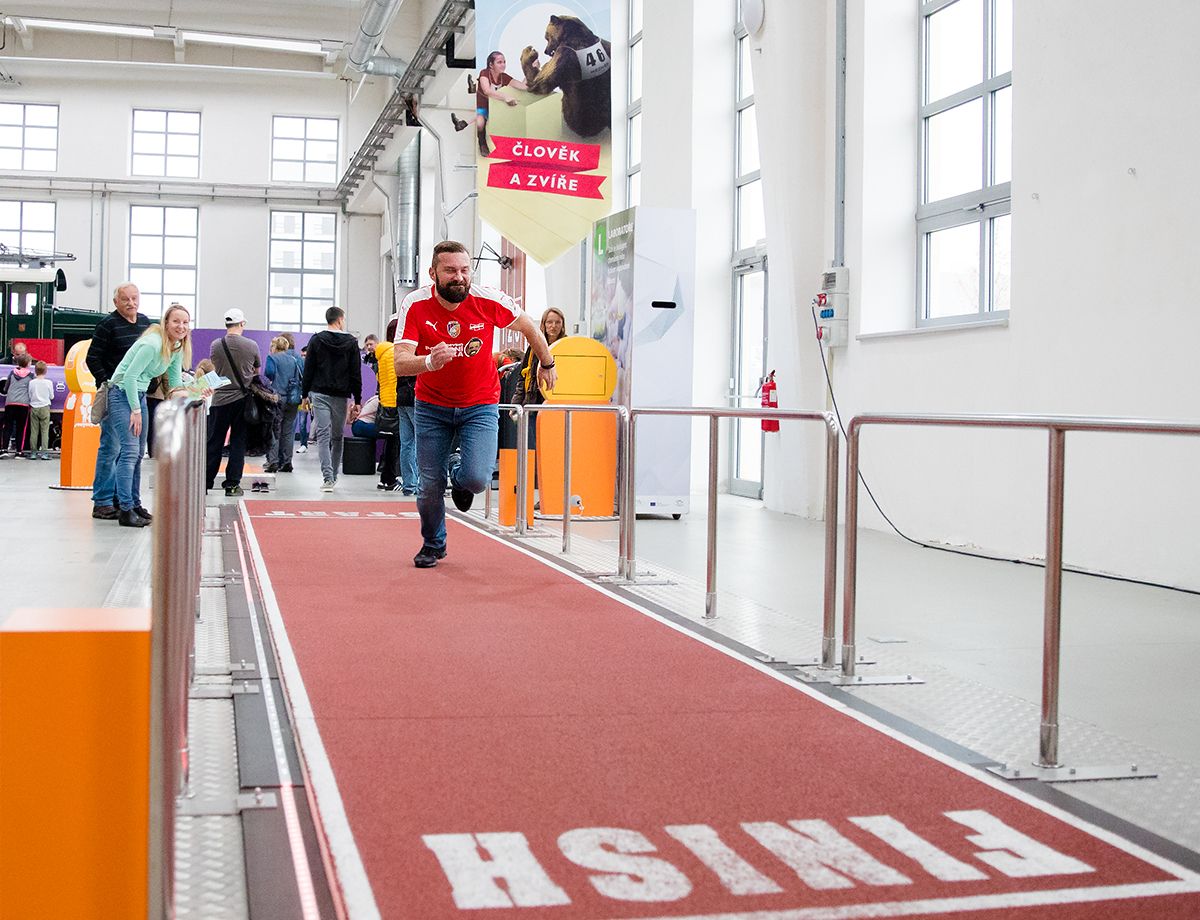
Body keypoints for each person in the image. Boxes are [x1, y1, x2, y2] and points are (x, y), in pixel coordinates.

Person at [395, 240, 556, 568]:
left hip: (479, 404)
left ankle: (459, 469)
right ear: (433, 273)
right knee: (428, 485)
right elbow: (400, 362)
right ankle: (433, 543)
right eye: (451, 270)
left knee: (478, 479)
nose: (459, 277)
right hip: (431, 406)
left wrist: (547, 363)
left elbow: (529, 326)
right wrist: (428, 362)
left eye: (465, 270)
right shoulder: (415, 304)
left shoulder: (488, 300)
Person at [106, 303, 193, 527]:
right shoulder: (152, 344)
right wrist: (135, 410)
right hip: (122, 393)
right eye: (176, 321)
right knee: (129, 451)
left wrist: (196, 391)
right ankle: (125, 509)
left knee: (137, 454)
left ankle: (134, 503)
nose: (181, 326)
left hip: (140, 394)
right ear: (166, 322)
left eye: (185, 322)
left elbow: (174, 383)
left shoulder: (175, 347)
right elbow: (130, 377)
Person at [86, 283, 151, 519]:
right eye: (125, 299)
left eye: (134, 298)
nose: (131, 303)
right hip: (116, 394)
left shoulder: (146, 324)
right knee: (111, 447)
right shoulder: (107, 324)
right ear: (116, 302)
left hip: (138, 393)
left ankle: (123, 498)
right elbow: (92, 358)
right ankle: (102, 500)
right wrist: (108, 382)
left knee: (133, 450)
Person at [302, 306, 362, 492]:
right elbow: (355, 373)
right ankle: (333, 475)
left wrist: (304, 394)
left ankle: (327, 477)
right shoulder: (351, 343)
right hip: (341, 395)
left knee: (322, 435)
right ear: (340, 319)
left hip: (319, 392)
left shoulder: (316, 339)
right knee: (337, 437)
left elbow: (309, 369)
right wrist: (358, 399)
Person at [207, 308, 261, 498]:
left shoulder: (215, 345)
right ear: (242, 324)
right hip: (242, 400)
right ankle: (231, 485)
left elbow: (216, 367)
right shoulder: (252, 345)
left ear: (226, 324)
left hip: (220, 400)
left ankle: (205, 482)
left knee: (214, 441)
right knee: (238, 442)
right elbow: (256, 370)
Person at [464, 50, 528, 158]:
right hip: (483, 105)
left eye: (504, 62)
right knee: (480, 122)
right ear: (491, 64)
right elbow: (487, 91)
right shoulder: (484, 73)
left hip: (497, 108)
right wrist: (505, 97)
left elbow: (523, 86)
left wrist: (529, 69)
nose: (503, 65)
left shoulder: (505, 77)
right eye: (499, 62)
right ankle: (482, 143)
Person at [374, 318, 407, 493]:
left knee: (391, 442)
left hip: (385, 400)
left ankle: (385, 478)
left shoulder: (382, 353)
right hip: (396, 400)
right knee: (397, 443)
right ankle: (390, 479)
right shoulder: (395, 352)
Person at [264, 335, 303, 474]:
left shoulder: (272, 358)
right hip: (292, 399)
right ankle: (287, 462)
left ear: (274, 346)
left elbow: (268, 373)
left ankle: (273, 461)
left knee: (274, 430)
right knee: (288, 431)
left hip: (277, 399)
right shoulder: (293, 359)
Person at [0, 354, 34, 458]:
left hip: (10, 403)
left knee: (7, 427)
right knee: (21, 428)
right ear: (28, 363)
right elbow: (31, 390)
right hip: (23, 404)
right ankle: (19, 451)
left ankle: (4, 449)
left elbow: (5, 389)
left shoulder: (11, 373)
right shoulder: (31, 376)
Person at [27, 361, 55, 460]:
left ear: (35, 371)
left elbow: (29, 395)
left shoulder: (31, 383)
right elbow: (52, 396)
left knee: (34, 431)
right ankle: (44, 453)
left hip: (34, 407)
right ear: (46, 371)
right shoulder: (49, 383)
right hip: (45, 407)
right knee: (44, 431)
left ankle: (33, 453)